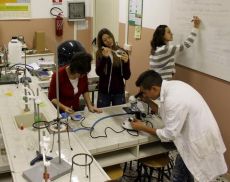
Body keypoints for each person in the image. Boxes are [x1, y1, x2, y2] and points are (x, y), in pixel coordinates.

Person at [131, 70, 227, 182]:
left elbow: (169, 134)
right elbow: (166, 112)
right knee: (187, 174)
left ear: (154, 88)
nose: (144, 95)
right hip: (196, 135)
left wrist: (143, 127)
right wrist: (149, 101)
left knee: (178, 177)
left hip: (197, 141)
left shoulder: (173, 99)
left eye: (145, 92)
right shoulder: (173, 86)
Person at [95, 28, 131, 107]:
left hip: (118, 92)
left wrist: (126, 62)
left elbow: (127, 76)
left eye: (109, 37)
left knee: (119, 116)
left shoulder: (121, 51)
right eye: (105, 40)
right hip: (104, 92)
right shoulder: (100, 53)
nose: (108, 40)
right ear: (102, 42)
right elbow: (98, 72)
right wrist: (104, 58)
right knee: (102, 115)